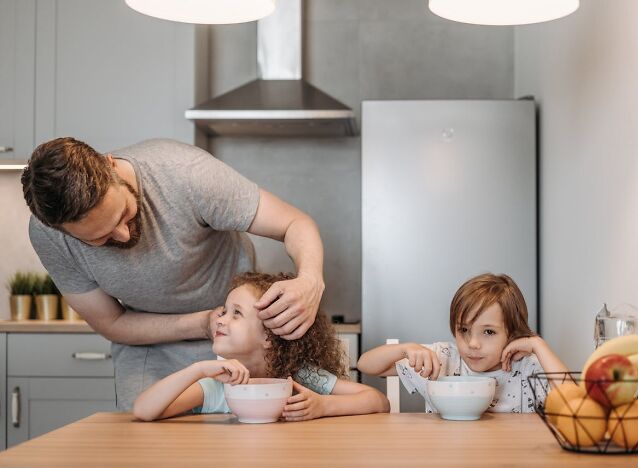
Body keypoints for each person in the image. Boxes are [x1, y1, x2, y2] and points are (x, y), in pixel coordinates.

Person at [21, 137, 326, 410]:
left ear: (110, 166)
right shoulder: (49, 238)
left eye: (124, 214)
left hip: (237, 341)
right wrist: (200, 324)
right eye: (99, 239)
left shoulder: (186, 174)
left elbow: (294, 224)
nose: (124, 236)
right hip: (149, 345)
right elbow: (112, 322)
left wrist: (310, 280)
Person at [133, 273, 389, 421]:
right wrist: (198, 369)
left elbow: (378, 401)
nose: (220, 319)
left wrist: (324, 406)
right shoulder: (218, 385)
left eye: (236, 313)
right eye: (224, 311)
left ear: (270, 336)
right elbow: (144, 411)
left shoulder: (301, 378)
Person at [357, 273, 568, 413]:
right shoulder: (442, 358)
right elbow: (365, 365)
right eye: (464, 330)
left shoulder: (526, 367)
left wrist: (538, 345)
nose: (473, 343)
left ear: (512, 333)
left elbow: (574, 403)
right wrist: (404, 349)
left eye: (488, 332)